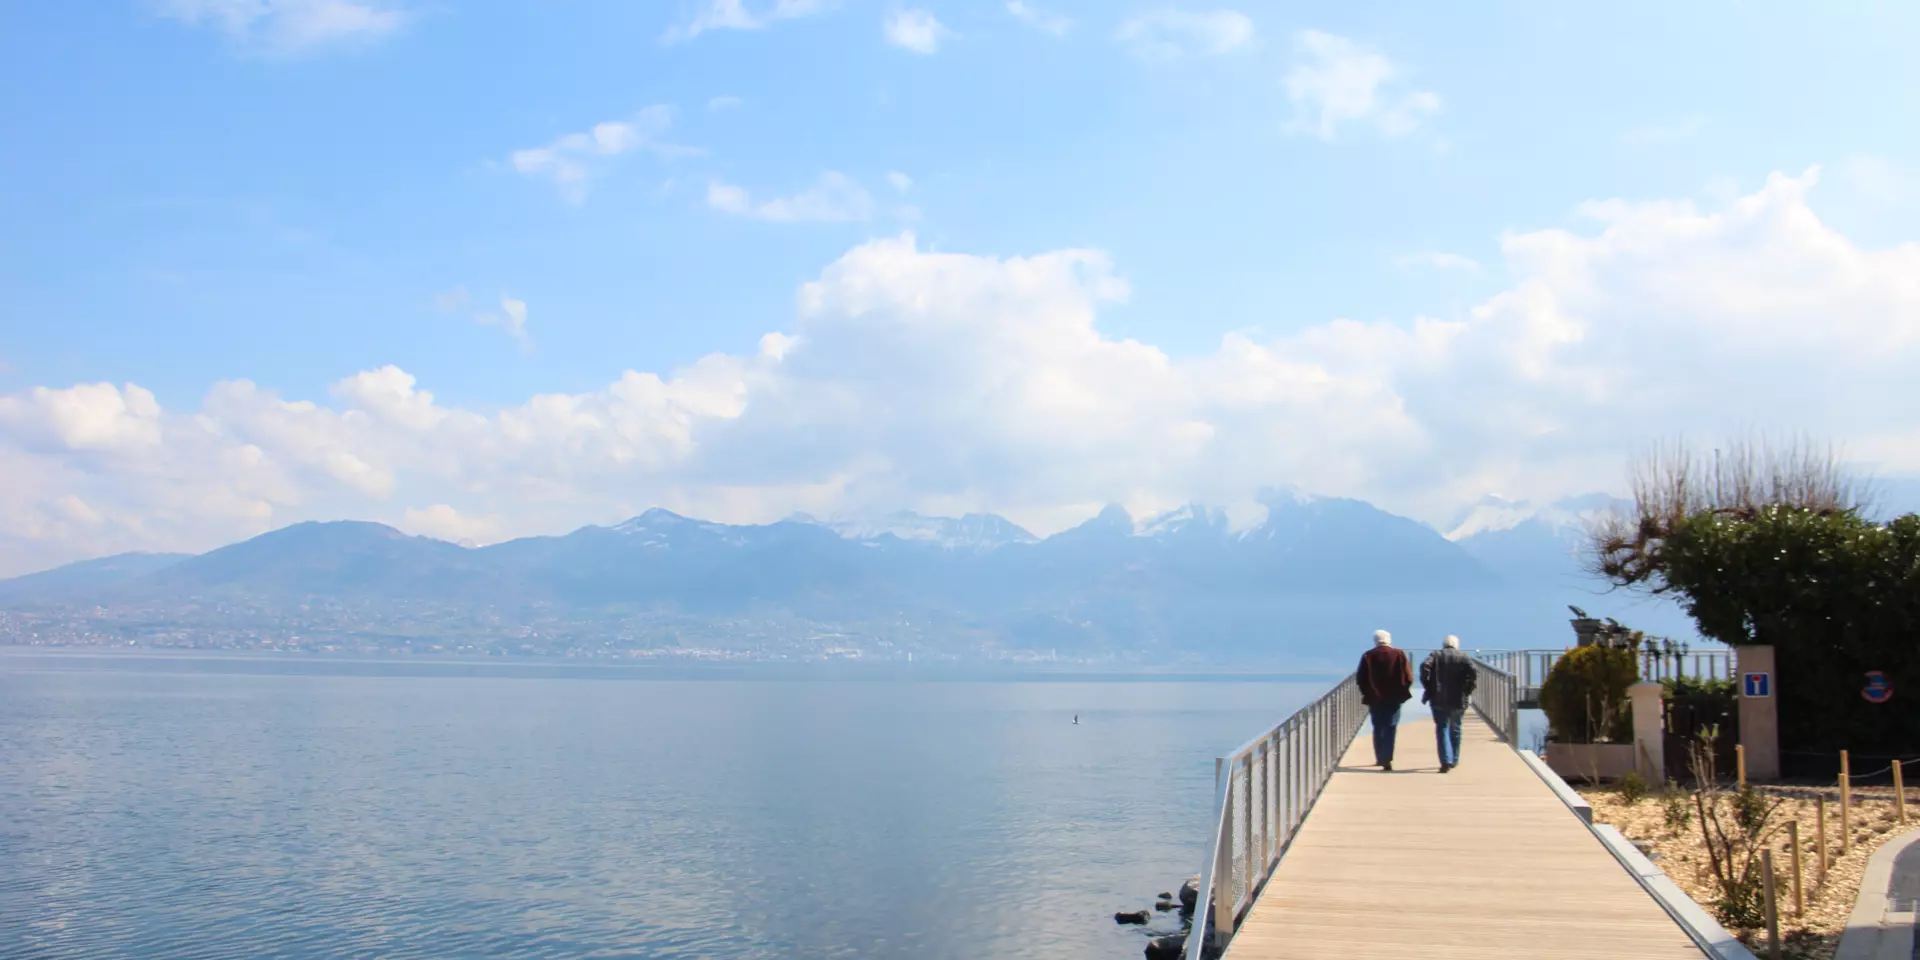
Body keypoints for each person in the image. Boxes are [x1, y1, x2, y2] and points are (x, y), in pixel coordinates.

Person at [1354, 629, 1413, 771]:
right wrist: (1403, 690)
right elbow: (1409, 676)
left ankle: (1380, 757)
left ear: (1375, 640)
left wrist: (1367, 692)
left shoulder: (1368, 656)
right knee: (1390, 727)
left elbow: (1360, 678)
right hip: (1395, 697)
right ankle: (1387, 757)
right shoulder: (1399, 654)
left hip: (1375, 698)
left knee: (1378, 727)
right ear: (1389, 639)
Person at [1419, 635, 1478, 773]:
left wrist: (1428, 685)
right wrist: (1468, 688)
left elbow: (1425, 666)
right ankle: (1454, 759)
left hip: (1438, 699)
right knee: (1456, 728)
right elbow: (1474, 671)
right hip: (1459, 699)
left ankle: (1445, 760)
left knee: (1442, 729)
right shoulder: (1464, 657)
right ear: (1456, 645)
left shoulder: (1435, 655)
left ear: (1444, 645)